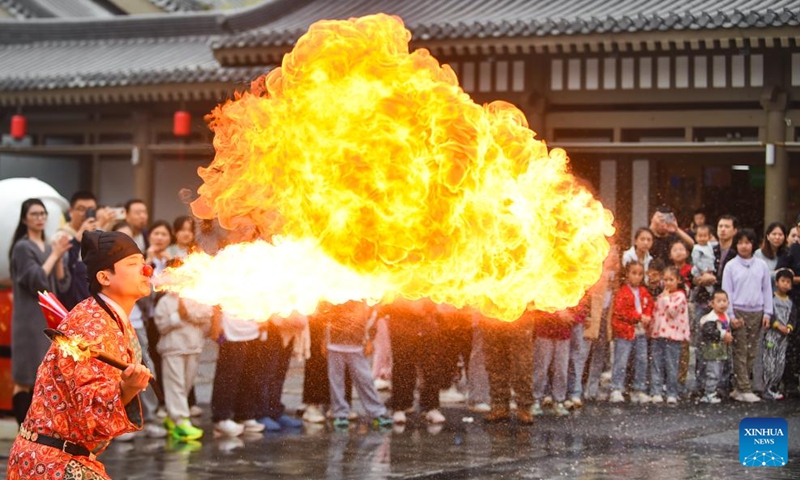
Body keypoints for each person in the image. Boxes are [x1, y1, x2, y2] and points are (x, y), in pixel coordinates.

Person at [7, 230, 154, 479]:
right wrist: (127, 389)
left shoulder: (110, 318)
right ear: (104, 277)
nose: (146, 270)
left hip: (62, 458)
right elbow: (91, 412)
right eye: (132, 264)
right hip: (52, 464)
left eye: (143, 262)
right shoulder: (91, 323)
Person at [8, 198, 71, 425]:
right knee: (25, 377)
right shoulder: (23, 247)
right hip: (29, 320)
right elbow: (36, 280)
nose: (39, 218)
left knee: (43, 375)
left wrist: (60, 256)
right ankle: (23, 429)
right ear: (25, 219)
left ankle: (35, 427)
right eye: (34, 214)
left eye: (42, 214)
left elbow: (61, 284)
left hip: (46, 319)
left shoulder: (47, 246)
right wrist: (54, 255)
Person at [319, 301, 392, 428]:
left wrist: (369, 338)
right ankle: (340, 413)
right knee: (336, 381)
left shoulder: (361, 290)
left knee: (365, 380)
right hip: (335, 343)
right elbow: (326, 316)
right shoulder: (332, 290)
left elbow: (371, 315)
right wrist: (325, 338)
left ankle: (377, 412)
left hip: (357, 344)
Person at [722, 228, 773, 403]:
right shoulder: (731, 266)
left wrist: (767, 312)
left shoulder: (762, 265)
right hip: (738, 311)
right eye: (741, 242)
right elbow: (727, 291)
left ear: (754, 244)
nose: (744, 246)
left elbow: (766, 289)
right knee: (740, 351)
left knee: (752, 352)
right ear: (736, 245)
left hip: (757, 312)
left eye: (748, 242)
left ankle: (739, 386)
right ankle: (744, 388)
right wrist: (730, 315)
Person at [154, 291, 211, 440]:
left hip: (193, 346)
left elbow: (206, 316)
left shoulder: (197, 297)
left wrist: (188, 313)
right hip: (173, 348)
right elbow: (161, 326)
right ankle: (180, 421)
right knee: (175, 384)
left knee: (187, 384)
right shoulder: (165, 301)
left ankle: (172, 416)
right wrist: (177, 316)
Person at [57, 191, 114, 310]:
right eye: (81, 209)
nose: (86, 214)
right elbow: (65, 271)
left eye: (91, 209)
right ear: (70, 212)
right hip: (71, 303)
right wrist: (82, 235)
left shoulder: (99, 232)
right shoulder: (61, 236)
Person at [609, 261, 653, 403]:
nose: (637, 277)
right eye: (634, 273)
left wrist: (647, 316)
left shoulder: (644, 292)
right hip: (625, 331)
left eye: (640, 274)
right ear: (627, 274)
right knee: (621, 360)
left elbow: (649, 305)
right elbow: (621, 311)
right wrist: (639, 316)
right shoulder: (623, 292)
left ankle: (638, 388)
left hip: (640, 331)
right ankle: (616, 388)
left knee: (641, 360)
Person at [481, 310, 535, 423]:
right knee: (495, 361)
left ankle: (524, 407)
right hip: (492, 314)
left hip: (520, 315)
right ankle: (499, 406)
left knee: (522, 363)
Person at [649, 266, 691, 404]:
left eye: (671, 280)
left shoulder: (680, 296)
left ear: (678, 280)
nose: (667, 283)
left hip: (673, 337)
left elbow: (672, 312)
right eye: (665, 279)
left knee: (671, 365)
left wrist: (666, 299)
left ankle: (672, 392)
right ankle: (656, 391)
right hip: (658, 335)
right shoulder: (662, 296)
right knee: (657, 364)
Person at [761, 269, 797, 400]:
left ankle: (774, 387)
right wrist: (776, 325)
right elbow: (769, 314)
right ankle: (767, 387)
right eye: (783, 281)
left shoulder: (791, 302)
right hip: (772, 334)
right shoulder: (771, 298)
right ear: (776, 282)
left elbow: (793, 317)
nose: (785, 284)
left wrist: (789, 328)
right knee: (769, 360)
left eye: (788, 282)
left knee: (780, 362)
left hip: (784, 337)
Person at [532, 308, 573, 417]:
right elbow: (537, 307)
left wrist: (572, 316)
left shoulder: (569, 291)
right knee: (541, 368)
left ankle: (559, 400)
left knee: (561, 369)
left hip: (563, 333)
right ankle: (536, 399)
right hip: (544, 331)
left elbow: (579, 305)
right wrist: (555, 316)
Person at [777, 214, 800, 397]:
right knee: (793, 343)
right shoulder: (792, 250)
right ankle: (790, 382)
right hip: (795, 302)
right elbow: (782, 276)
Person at [698, 290, 733, 404]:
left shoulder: (726, 316)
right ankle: (709, 393)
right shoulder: (710, 318)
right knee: (712, 371)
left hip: (722, 349)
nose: (722, 304)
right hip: (712, 350)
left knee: (722, 370)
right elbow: (709, 332)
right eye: (718, 301)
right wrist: (722, 335)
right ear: (712, 304)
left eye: (724, 301)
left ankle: (717, 390)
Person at [754, 222, 788, 286]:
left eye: (780, 235)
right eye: (774, 234)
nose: (777, 237)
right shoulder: (759, 254)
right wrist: (777, 273)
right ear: (768, 236)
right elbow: (757, 274)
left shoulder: (787, 254)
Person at [691, 224, 717, 299]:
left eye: (704, 236)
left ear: (709, 237)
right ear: (696, 237)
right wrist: (704, 270)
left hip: (709, 269)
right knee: (700, 285)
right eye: (700, 236)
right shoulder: (697, 248)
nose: (702, 238)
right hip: (700, 270)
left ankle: (711, 296)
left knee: (710, 285)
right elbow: (696, 261)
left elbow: (716, 243)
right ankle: (692, 298)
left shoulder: (709, 245)